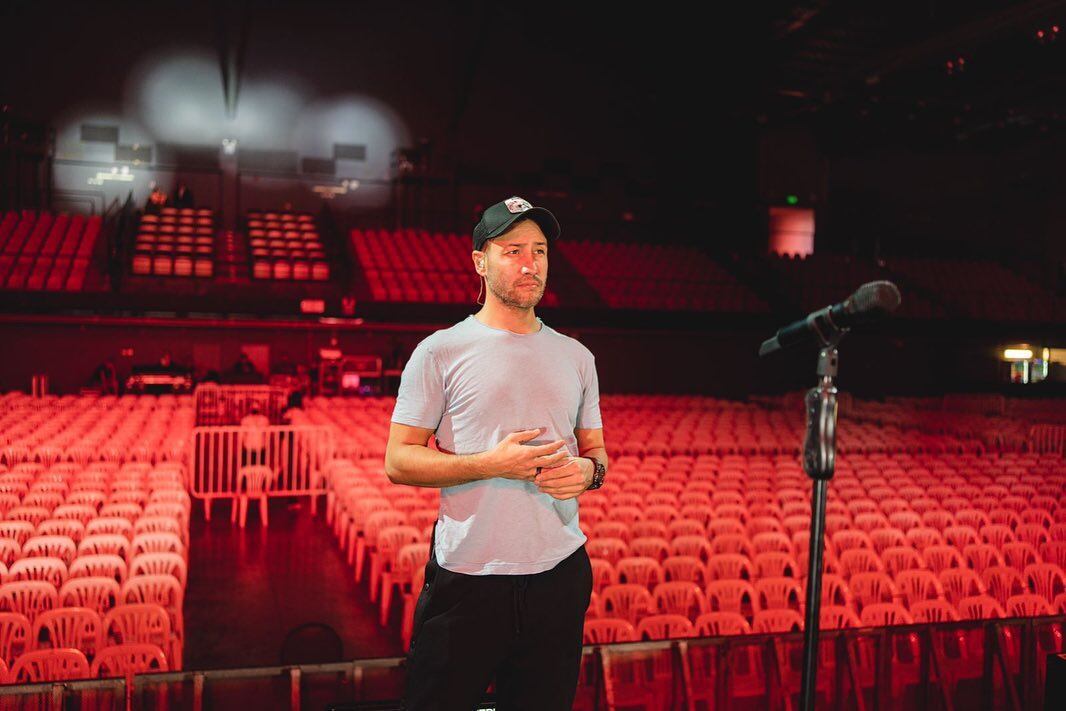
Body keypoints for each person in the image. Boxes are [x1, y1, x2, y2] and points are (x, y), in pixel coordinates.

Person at [386, 196, 608, 710]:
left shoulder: (578, 356)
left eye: (540, 251)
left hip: (560, 573)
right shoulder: (440, 350)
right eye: (512, 250)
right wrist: (491, 464)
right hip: (469, 577)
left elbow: (597, 453)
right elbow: (398, 461)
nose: (530, 264)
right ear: (480, 262)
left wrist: (586, 472)